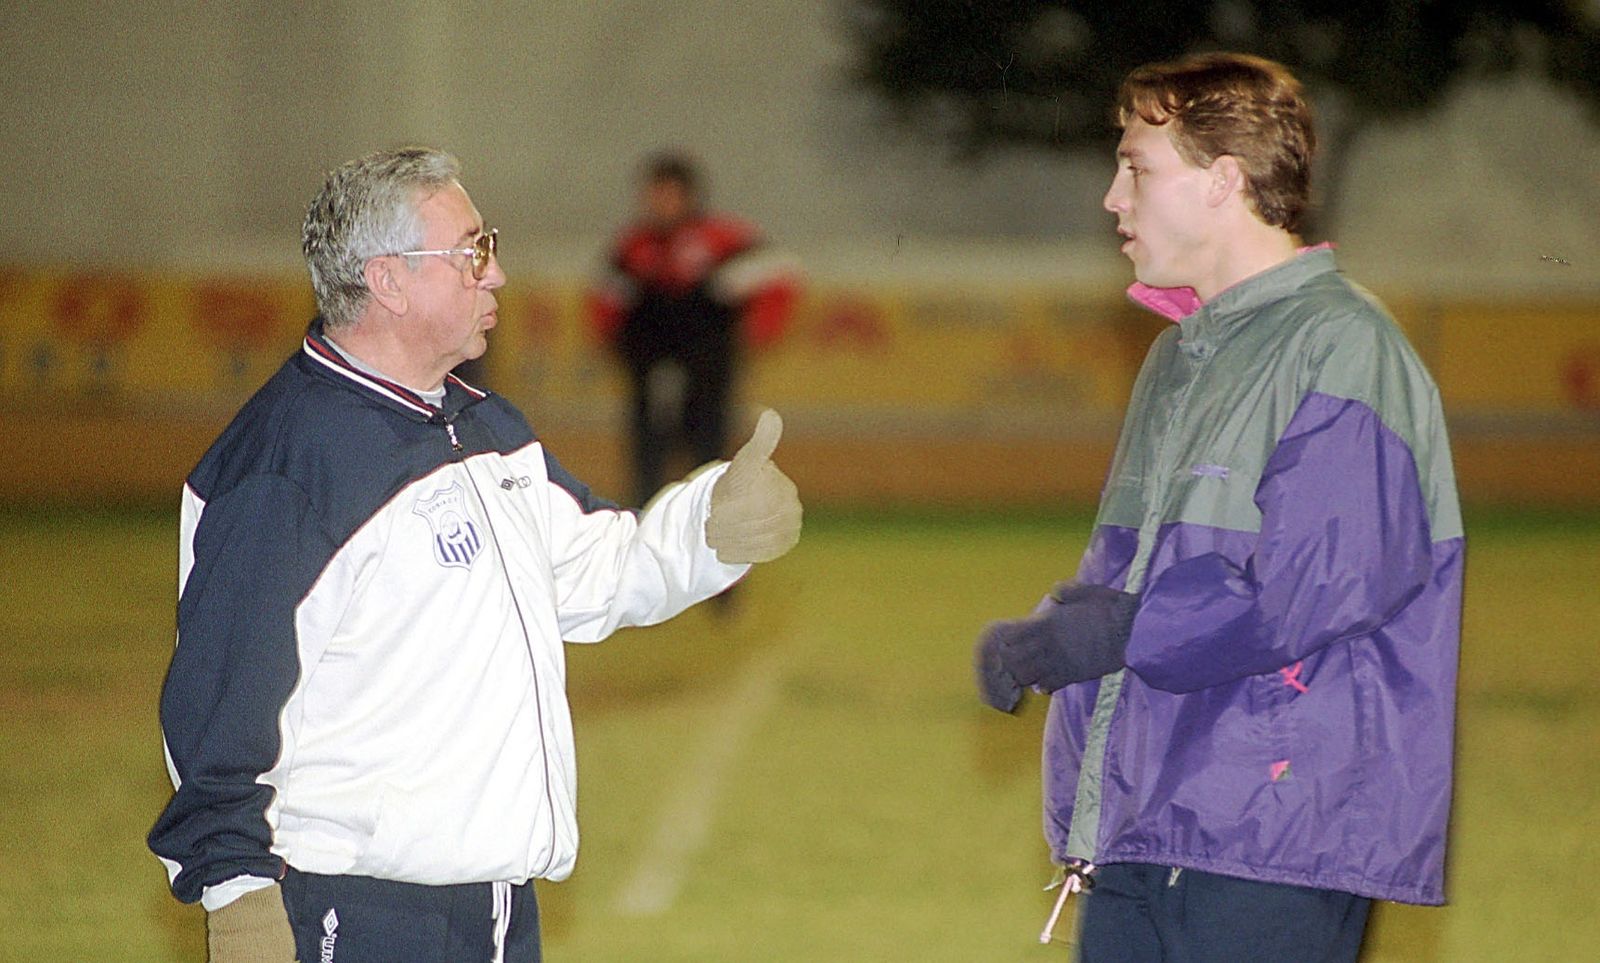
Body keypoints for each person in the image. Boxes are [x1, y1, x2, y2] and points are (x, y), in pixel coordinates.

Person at [148, 147, 802, 963]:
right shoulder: (287, 465)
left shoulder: (484, 428)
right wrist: (235, 891)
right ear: (388, 279)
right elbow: (217, 701)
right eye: (471, 252)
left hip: (495, 908)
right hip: (353, 911)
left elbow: (595, 566)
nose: (495, 274)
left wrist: (708, 524)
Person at [973, 53, 1463, 961]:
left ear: (1224, 181)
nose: (1112, 198)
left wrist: (1119, 633)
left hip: (1268, 838)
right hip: (1144, 824)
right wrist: (1055, 630)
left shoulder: (1343, 347)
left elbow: (1318, 584)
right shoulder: (1180, 356)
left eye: (1137, 168)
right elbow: (1136, 581)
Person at [587, 150, 800, 509]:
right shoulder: (634, 246)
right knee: (649, 446)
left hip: (708, 362)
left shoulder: (722, 239)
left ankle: (708, 527)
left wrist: (756, 333)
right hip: (651, 363)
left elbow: (777, 279)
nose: (660, 203)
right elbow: (607, 301)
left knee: (708, 445)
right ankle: (646, 520)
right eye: (655, 194)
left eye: (668, 194)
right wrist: (620, 346)